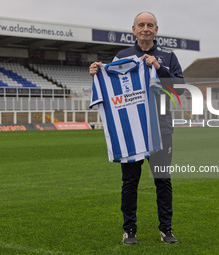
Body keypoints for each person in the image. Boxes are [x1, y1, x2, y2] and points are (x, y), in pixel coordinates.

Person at [89, 11, 184, 245]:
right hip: (130, 132)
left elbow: (179, 90)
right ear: (133, 30)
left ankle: (166, 229)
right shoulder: (122, 56)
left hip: (160, 128)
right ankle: (129, 229)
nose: (145, 29)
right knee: (130, 182)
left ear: (156, 30)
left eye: (150, 25)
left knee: (162, 180)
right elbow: (111, 86)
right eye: (141, 25)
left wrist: (159, 67)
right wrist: (96, 73)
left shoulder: (168, 56)